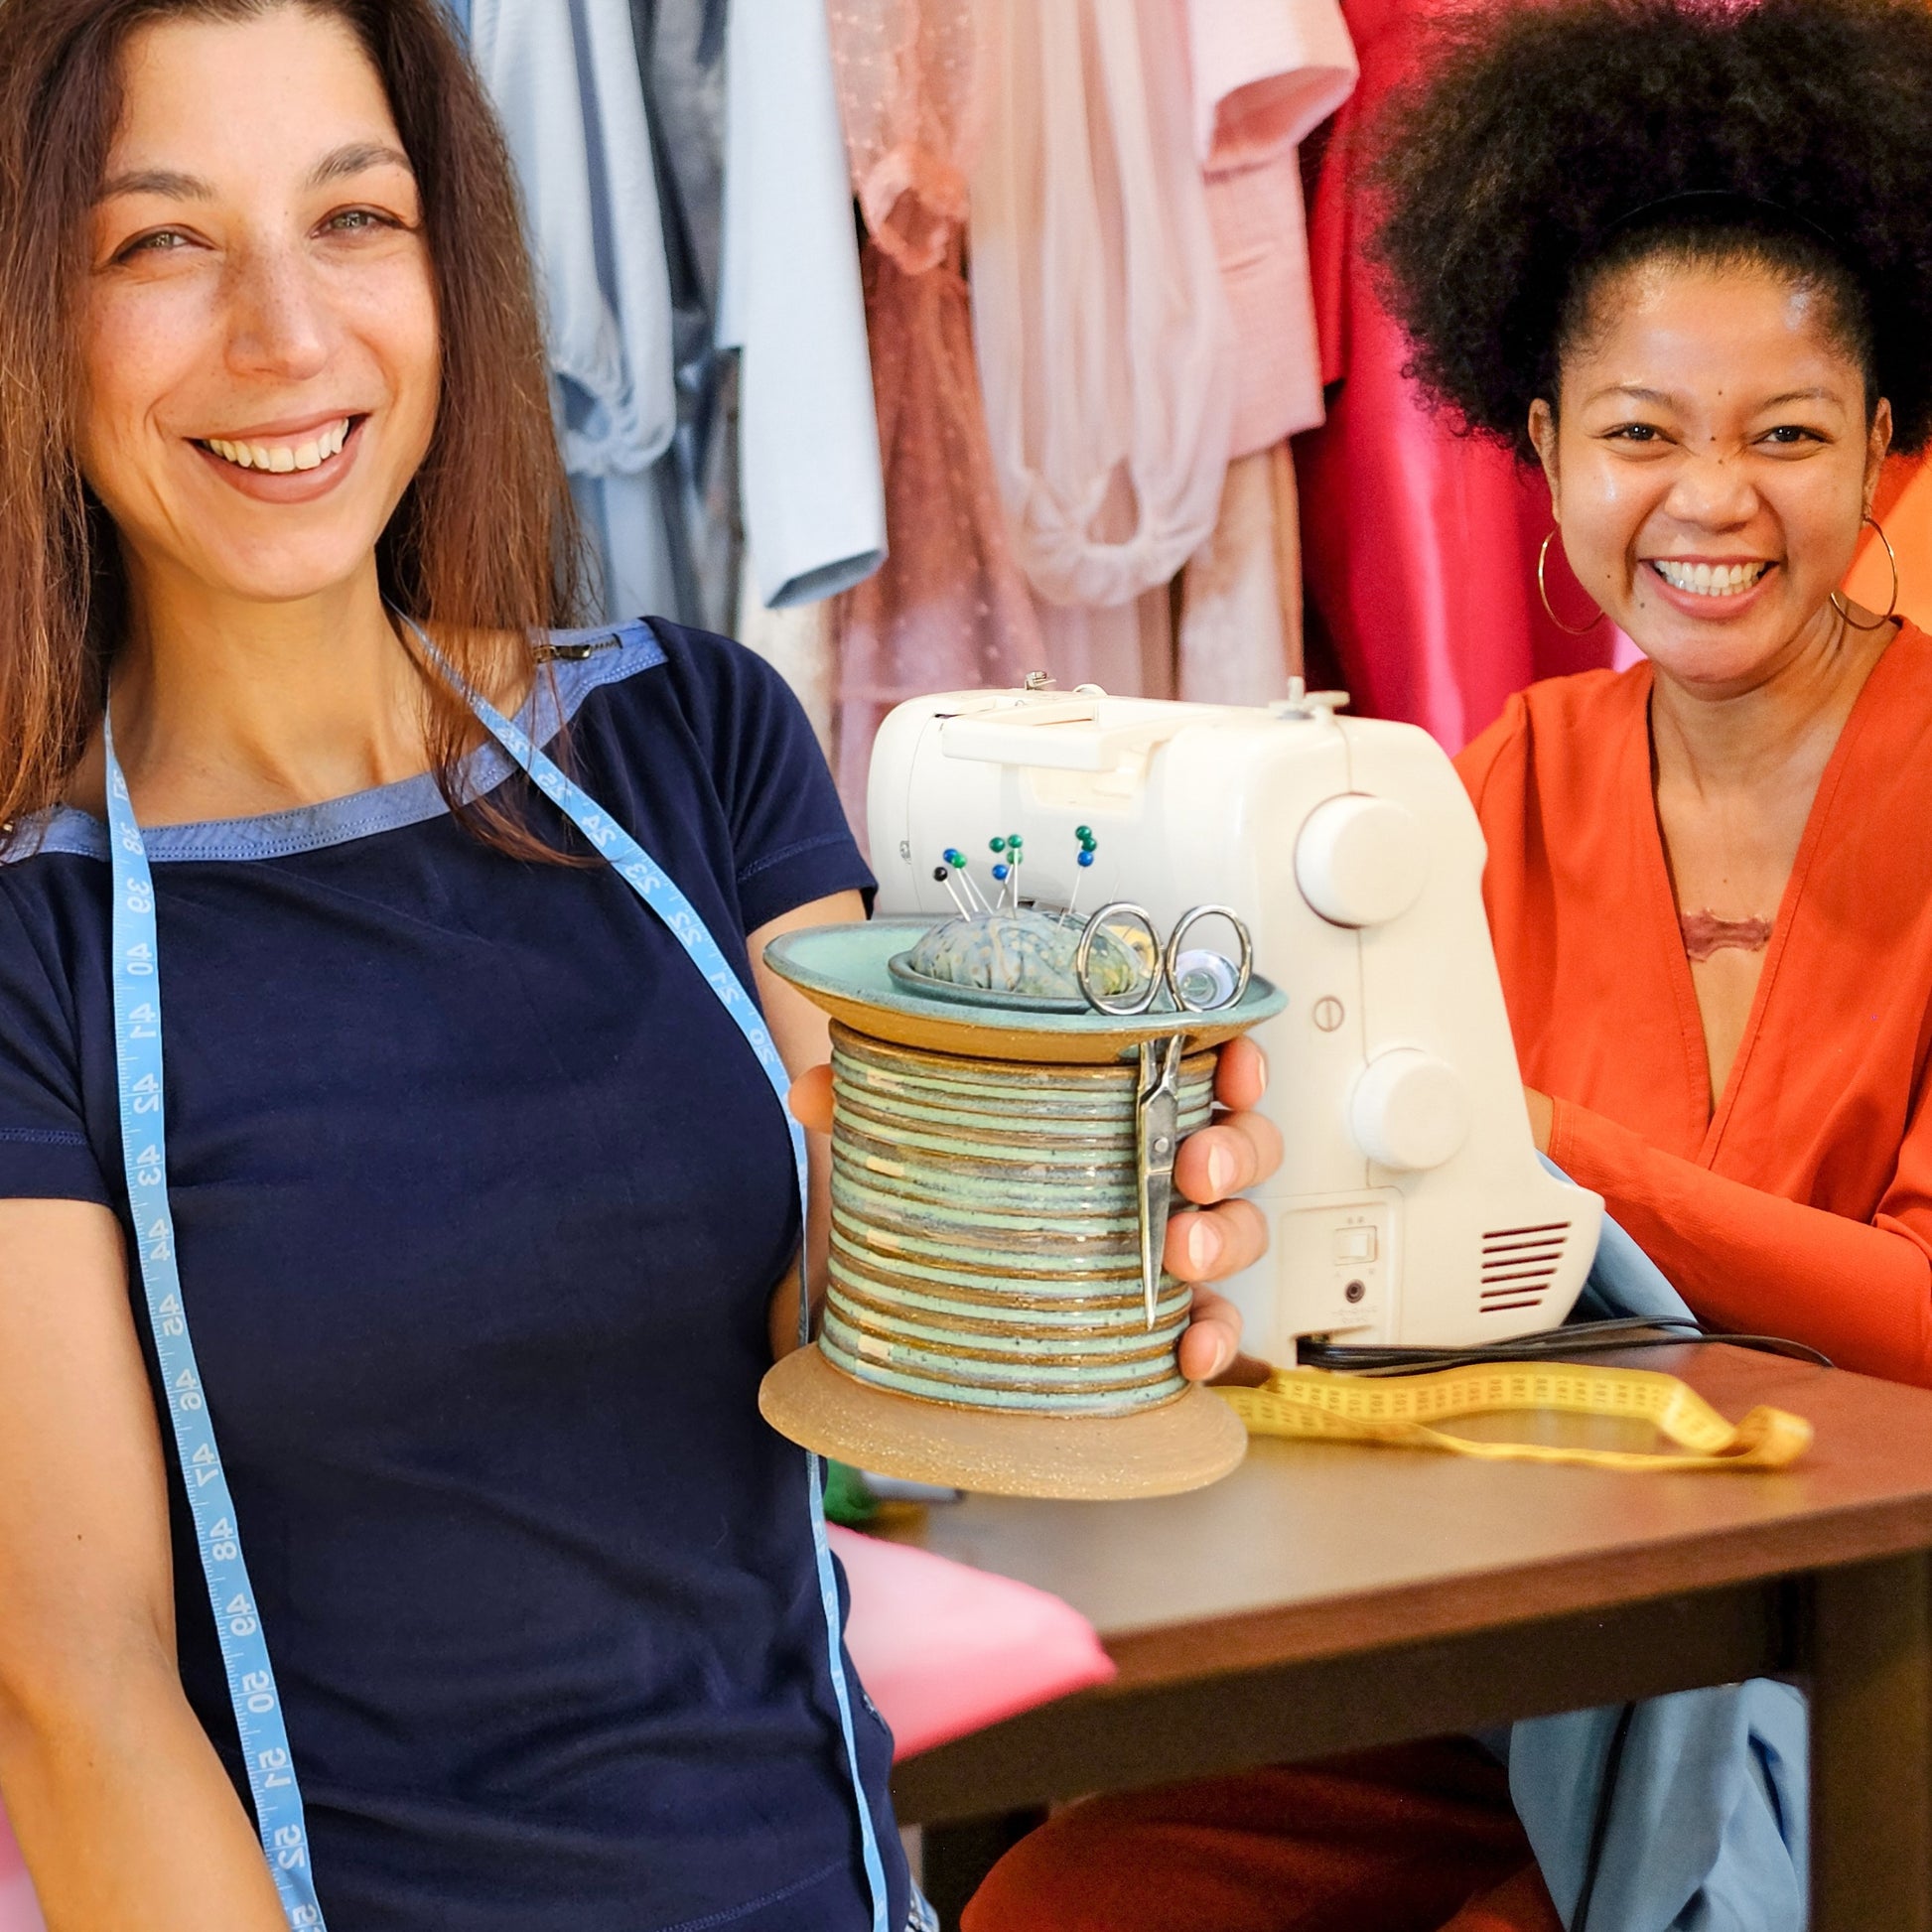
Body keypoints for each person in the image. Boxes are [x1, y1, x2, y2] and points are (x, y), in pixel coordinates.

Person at [0, 4, 1282, 1928]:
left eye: (356, 218)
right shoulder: (32, 939)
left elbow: (839, 1329)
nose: (285, 336)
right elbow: (74, 1698)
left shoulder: (692, 736)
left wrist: (1083, 1238)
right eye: (158, 243)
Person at [963, 0, 1932, 1925]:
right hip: (1535, 1647)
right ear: (1546, 449)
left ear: (1887, 444)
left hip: (1870, 1664)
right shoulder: (1493, 789)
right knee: (1056, 1903)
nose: (1712, 501)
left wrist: (1553, 1147)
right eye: (1642, 432)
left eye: (1787, 434)